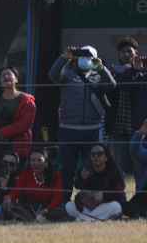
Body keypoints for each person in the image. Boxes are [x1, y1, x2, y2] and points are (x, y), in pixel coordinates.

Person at [49, 45, 115, 196]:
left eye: (89, 56)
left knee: (91, 166)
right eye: (82, 55)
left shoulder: (98, 78)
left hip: (92, 130)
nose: (86, 59)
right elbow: (52, 75)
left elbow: (111, 85)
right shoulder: (67, 75)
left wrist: (100, 67)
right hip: (68, 129)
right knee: (67, 168)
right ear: (76, 59)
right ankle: (65, 201)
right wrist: (65, 57)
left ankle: (88, 200)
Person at [0, 66, 36, 166]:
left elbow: (24, 123)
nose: (6, 76)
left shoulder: (27, 101)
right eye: (2, 75)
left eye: (9, 74)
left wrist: (3, 133)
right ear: (0, 81)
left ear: (17, 79)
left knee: (16, 179)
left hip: (18, 147)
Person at [2, 146, 64, 222]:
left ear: (46, 162)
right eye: (33, 160)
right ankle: (31, 219)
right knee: (8, 204)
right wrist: (8, 197)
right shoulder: (26, 173)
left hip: (48, 208)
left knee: (64, 210)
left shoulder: (55, 174)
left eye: (39, 160)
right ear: (30, 162)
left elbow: (58, 198)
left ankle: (38, 218)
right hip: (28, 209)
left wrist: (45, 211)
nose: (36, 163)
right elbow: (15, 192)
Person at [65, 142, 125, 221]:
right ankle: (93, 218)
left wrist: (104, 195)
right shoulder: (85, 170)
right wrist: (82, 178)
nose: (96, 156)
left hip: (105, 205)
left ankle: (80, 219)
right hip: (88, 205)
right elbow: (77, 185)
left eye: (99, 154)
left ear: (106, 157)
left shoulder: (113, 170)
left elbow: (118, 192)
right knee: (69, 205)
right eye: (93, 154)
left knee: (116, 207)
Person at [107, 38, 140, 176]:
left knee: (139, 165)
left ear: (136, 53)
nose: (126, 55)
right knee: (117, 166)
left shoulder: (142, 72)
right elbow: (115, 87)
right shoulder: (111, 73)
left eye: (129, 51)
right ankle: (119, 196)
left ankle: (141, 197)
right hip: (117, 125)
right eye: (123, 52)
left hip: (137, 126)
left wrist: (134, 70)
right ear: (119, 55)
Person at [119, 118, 147, 219]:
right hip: (143, 197)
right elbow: (135, 152)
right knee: (122, 207)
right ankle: (141, 212)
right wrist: (139, 135)